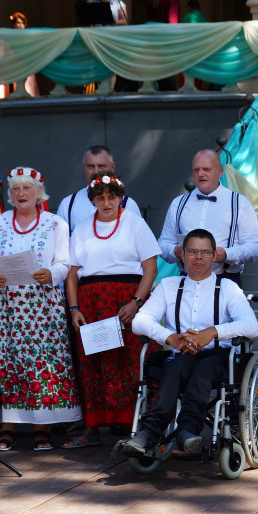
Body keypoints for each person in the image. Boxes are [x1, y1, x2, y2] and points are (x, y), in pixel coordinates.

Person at [124, 229, 258, 455]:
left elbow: (251, 326)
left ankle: (187, 429)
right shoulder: (168, 286)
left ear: (214, 255)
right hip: (183, 353)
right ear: (182, 254)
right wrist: (170, 337)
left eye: (205, 252)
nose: (199, 257)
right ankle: (149, 431)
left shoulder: (227, 288)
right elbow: (140, 321)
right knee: (175, 366)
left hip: (218, 356)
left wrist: (213, 332)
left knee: (204, 368)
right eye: (193, 252)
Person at [0, 167, 81, 451]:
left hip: (43, 307)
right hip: (8, 307)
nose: (21, 193)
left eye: (27, 188)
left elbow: (65, 263)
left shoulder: (55, 224)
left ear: (39, 193)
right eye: (15, 188)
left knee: (43, 364)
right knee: (10, 362)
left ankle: (42, 427)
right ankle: (9, 426)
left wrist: (51, 273)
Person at [64, 172, 160, 447]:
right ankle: (92, 427)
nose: (106, 203)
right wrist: (74, 308)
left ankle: (135, 423)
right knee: (94, 363)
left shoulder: (135, 224)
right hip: (93, 304)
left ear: (120, 198)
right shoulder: (83, 229)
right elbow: (72, 275)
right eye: (100, 198)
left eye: (112, 197)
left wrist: (136, 302)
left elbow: (150, 268)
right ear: (92, 200)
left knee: (131, 361)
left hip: (126, 303)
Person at [157, 149, 258, 287]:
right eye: (196, 170)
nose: (201, 174)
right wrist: (174, 251)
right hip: (187, 281)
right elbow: (163, 243)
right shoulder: (178, 203)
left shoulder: (239, 203)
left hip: (226, 281)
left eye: (206, 169)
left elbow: (255, 247)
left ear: (220, 172)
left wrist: (227, 254)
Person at [56, 145, 141, 233]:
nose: (96, 171)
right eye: (90, 166)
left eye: (101, 166)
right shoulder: (68, 204)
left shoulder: (128, 205)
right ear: (84, 167)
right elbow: (59, 239)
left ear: (112, 167)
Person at [146, 0, 180, 91]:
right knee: (161, 74)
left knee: (168, 75)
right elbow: (151, 15)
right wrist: (151, 0)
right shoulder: (163, 0)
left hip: (167, 43)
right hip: (159, 42)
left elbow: (172, 22)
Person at [0, 12, 39, 99]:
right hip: (11, 66)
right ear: (13, 24)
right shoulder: (7, 38)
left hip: (26, 66)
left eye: (22, 23)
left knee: (28, 87)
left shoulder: (28, 38)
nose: (20, 25)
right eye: (18, 23)